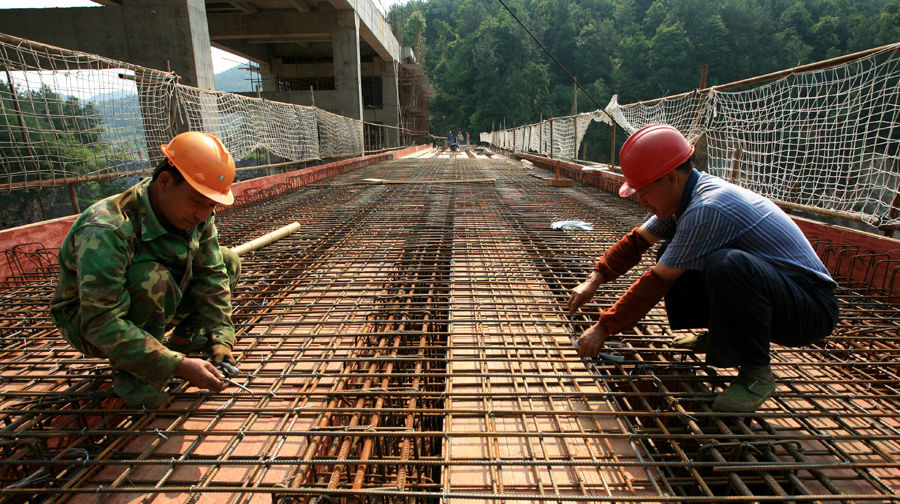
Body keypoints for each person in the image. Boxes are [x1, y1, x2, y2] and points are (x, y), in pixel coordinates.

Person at [567, 124, 839, 412]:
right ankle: (723, 335)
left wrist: (603, 328)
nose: (641, 201)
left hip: (809, 309)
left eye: (644, 192)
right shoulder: (684, 198)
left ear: (670, 178)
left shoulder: (707, 208)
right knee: (675, 252)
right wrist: (594, 279)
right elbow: (637, 242)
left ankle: (757, 374)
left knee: (725, 264)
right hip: (777, 294)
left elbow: (657, 280)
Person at [51, 131, 242, 408]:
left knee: (226, 261)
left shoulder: (197, 215)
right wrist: (176, 366)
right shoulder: (106, 229)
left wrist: (222, 341)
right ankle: (133, 376)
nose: (204, 214)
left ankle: (182, 339)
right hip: (89, 321)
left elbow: (211, 275)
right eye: (198, 201)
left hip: (155, 298)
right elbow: (100, 321)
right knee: (152, 278)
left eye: (211, 204)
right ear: (165, 182)